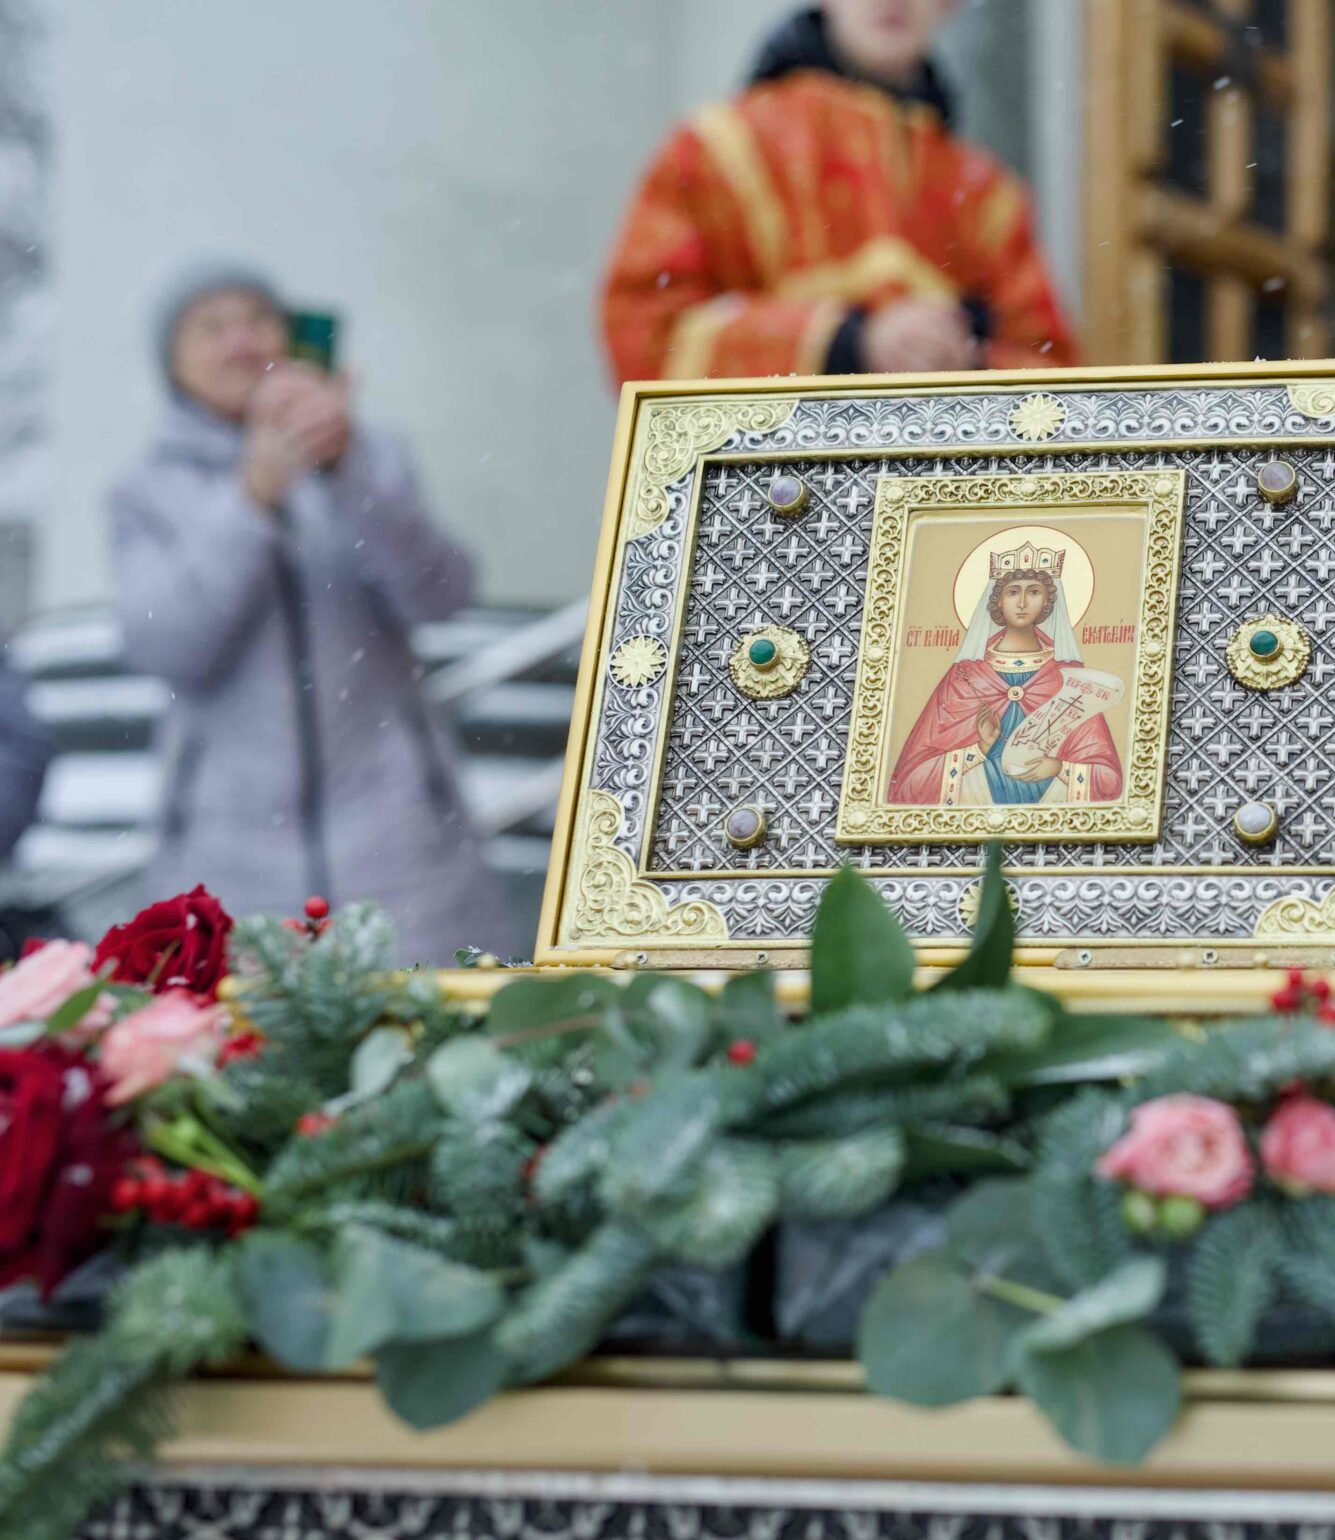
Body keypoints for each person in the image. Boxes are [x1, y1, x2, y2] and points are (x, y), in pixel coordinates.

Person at [107, 261, 510, 965]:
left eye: (257, 320)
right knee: (248, 1027)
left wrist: (349, 472)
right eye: (211, 327)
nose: (240, 341)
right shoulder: (146, 489)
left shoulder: (371, 453)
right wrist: (251, 501)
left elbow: (443, 595)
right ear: (172, 361)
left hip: (401, 845)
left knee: (419, 1019)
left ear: (290, 338)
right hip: (227, 855)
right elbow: (164, 646)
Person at [599, 0, 1081, 383]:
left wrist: (963, 359)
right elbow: (644, 335)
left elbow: (1051, 380)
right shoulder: (717, 151)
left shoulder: (986, 193)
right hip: (772, 476)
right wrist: (843, 345)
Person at [888, 543, 1120, 806]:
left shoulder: (1069, 678)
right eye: (1012, 592)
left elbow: (1108, 779)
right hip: (976, 798)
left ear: (1048, 601)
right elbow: (910, 783)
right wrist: (979, 750)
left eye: (1034, 592)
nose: (1022, 603)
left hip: (1052, 801)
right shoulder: (965, 676)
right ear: (997, 600)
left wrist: (1059, 767)